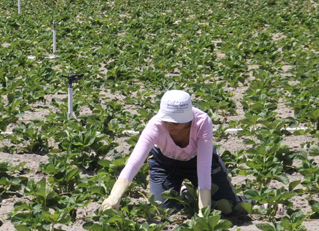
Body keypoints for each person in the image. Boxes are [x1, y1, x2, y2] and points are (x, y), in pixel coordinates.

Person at [100, 90, 245, 215]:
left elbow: (204, 169)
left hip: (198, 162)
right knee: (162, 211)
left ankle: (241, 200)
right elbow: (134, 163)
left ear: (188, 121)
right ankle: (185, 193)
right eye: (166, 120)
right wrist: (114, 197)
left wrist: (203, 211)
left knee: (230, 208)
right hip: (165, 164)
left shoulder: (202, 122)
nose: (169, 126)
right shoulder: (155, 125)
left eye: (175, 123)